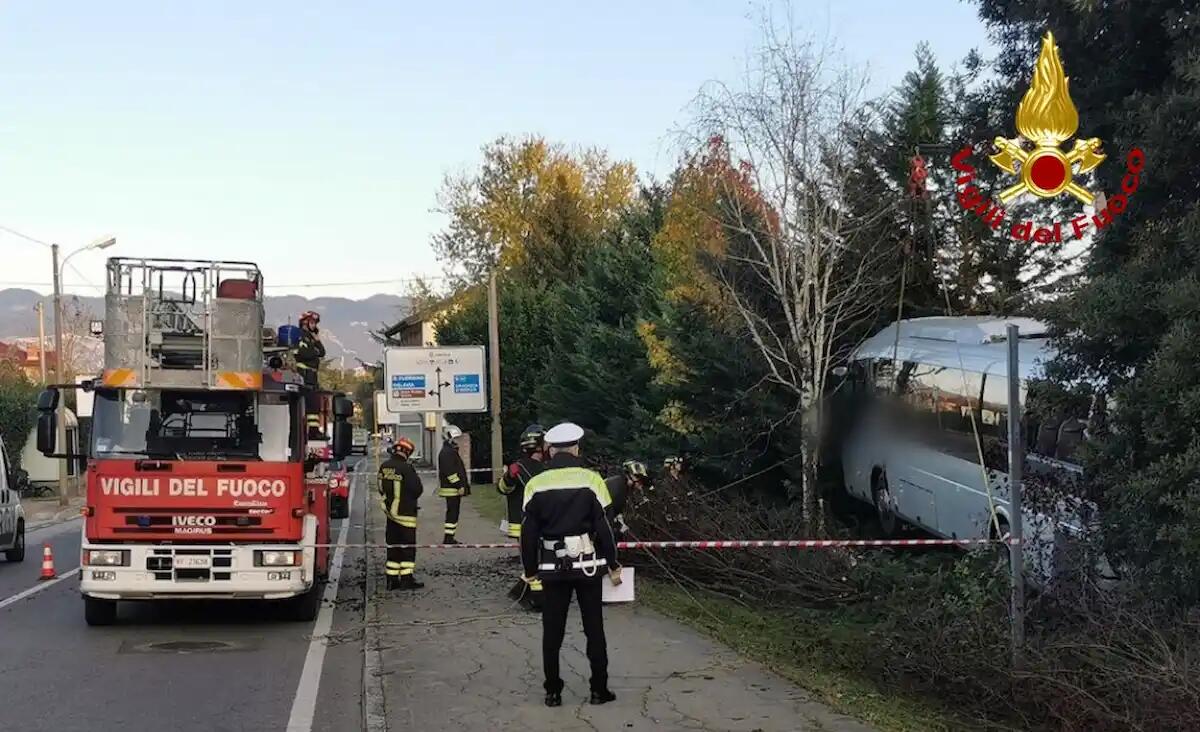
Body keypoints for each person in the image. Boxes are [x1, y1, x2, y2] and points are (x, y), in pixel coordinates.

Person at [520, 421, 621, 708]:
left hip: (552, 567)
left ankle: (553, 692)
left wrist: (530, 570)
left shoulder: (535, 484)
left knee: (552, 631)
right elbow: (606, 528)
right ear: (576, 448)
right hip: (587, 566)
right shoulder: (592, 480)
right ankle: (599, 690)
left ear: (550, 450)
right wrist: (612, 562)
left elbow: (528, 534)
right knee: (594, 629)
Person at [498, 424, 548, 608]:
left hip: (533, 522)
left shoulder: (535, 467)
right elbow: (502, 489)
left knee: (536, 559)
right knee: (535, 560)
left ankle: (526, 593)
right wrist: (508, 478)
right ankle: (536, 598)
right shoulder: (523, 468)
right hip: (528, 523)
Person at [378, 436, 424, 590]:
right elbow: (417, 489)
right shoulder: (406, 468)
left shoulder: (384, 466)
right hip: (405, 515)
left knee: (393, 547)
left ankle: (391, 580)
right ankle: (406, 579)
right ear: (406, 452)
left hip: (390, 515)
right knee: (407, 548)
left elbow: (380, 487)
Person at [437, 424, 470, 545]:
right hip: (452, 489)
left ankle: (449, 537)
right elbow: (450, 472)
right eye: (456, 439)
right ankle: (448, 538)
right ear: (449, 438)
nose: (457, 441)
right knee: (452, 514)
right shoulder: (447, 453)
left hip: (452, 488)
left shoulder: (449, 451)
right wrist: (459, 485)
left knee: (453, 513)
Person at [295, 311, 326, 439]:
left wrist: (317, 342)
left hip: (312, 376)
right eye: (312, 322)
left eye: (315, 323)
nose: (314, 325)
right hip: (304, 375)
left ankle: (314, 431)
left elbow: (322, 352)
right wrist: (315, 351)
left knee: (314, 405)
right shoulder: (300, 336)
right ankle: (308, 432)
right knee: (307, 405)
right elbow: (304, 354)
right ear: (305, 323)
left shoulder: (312, 337)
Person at [604, 459, 650, 536]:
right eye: (637, 477)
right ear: (627, 475)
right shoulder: (617, 487)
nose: (639, 482)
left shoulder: (625, 487)